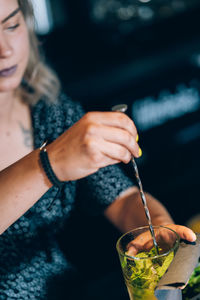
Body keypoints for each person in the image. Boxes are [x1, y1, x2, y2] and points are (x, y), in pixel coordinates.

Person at [0, 0, 196, 299]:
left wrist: (156, 228)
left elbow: (122, 197)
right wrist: (48, 165)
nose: (5, 50)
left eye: (11, 25)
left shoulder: (49, 111)